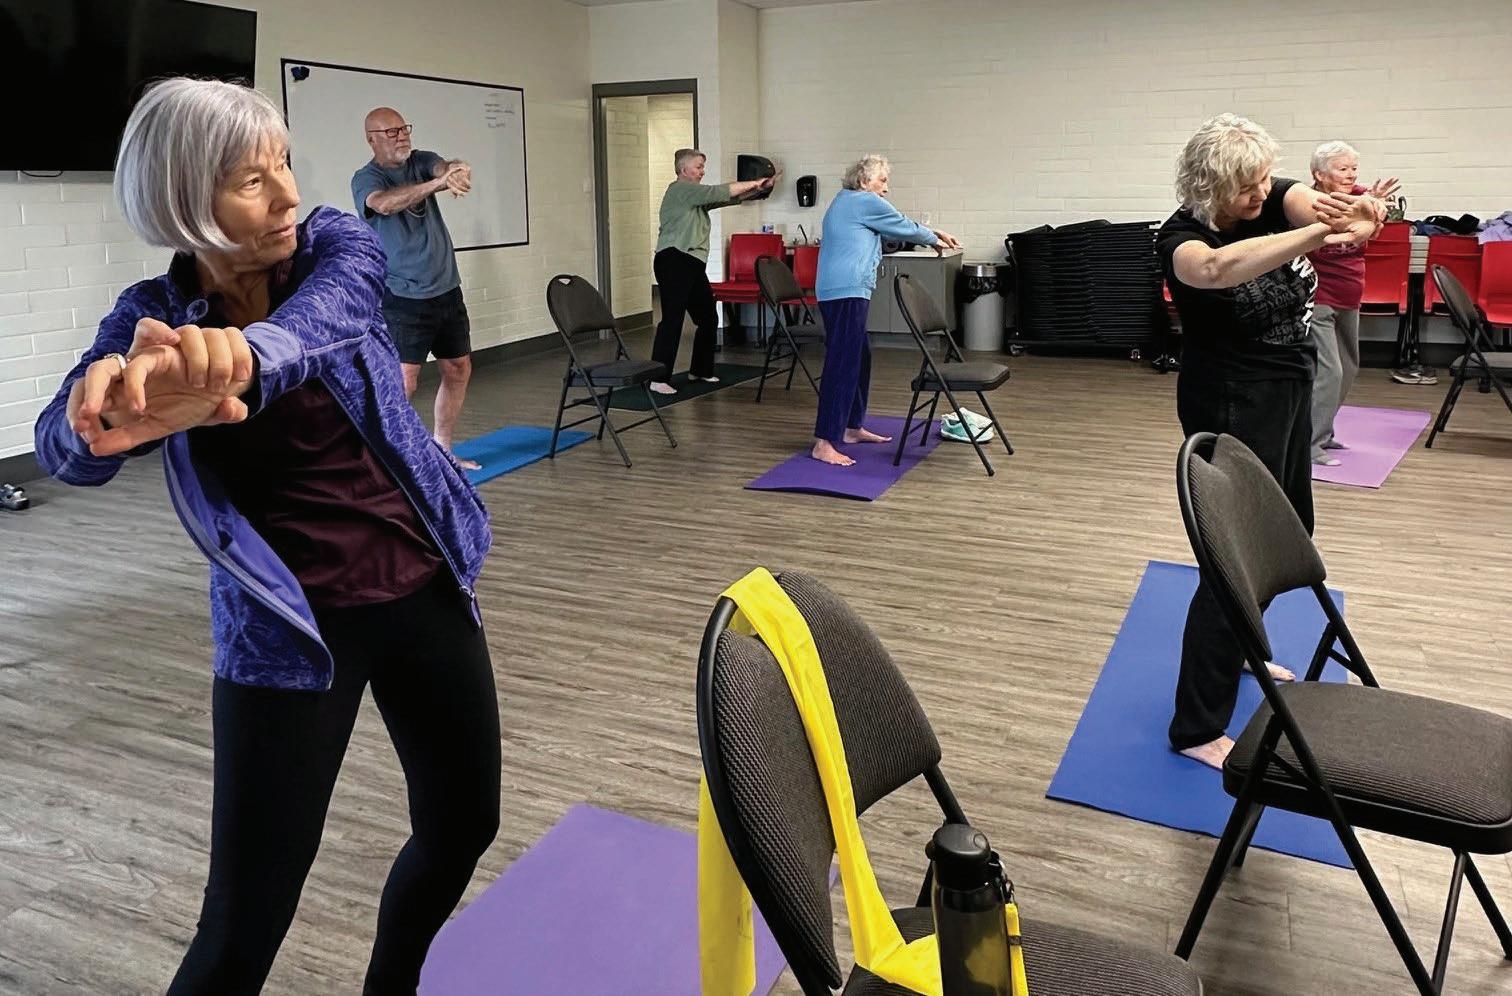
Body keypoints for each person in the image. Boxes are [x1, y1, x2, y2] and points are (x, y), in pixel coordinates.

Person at [34, 79, 500, 995]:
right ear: (184, 201)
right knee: (241, 929)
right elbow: (62, 446)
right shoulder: (150, 321)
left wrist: (243, 359)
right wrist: (104, 420)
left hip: (423, 592)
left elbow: (330, 319)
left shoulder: (336, 246)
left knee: (462, 827)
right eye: (253, 180)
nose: (287, 193)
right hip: (287, 634)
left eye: (284, 164)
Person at [1158, 113, 1382, 769]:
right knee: (1234, 557)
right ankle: (1197, 726)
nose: (1262, 193)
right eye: (1247, 186)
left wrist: (1362, 214)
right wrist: (1321, 233)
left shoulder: (1274, 196)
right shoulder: (1182, 237)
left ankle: (1241, 649)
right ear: (1211, 186)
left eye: (1264, 180)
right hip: (1231, 400)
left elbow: (1328, 209)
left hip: (1287, 387)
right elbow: (1218, 269)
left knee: (1289, 531)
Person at [352, 107, 481, 469]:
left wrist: (455, 171)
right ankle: (385, 459)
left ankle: (442, 450)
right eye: (391, 132)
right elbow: (384, 204)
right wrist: (438, 185)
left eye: (404, 129)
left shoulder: (421, 160)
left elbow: (443, 166)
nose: (402, 136)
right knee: (404, 383)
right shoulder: (366, 178)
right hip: (403, 295)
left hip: (446, 288)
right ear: (372, 139)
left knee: (458, 368)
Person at [811, 154, 960, 466]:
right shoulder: (862, 200)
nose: (886, 188)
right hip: (845, 291)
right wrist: (933, 236)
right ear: (866, 181)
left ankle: (851, 427)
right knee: (843, 361)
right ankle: (824, 442)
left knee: (859, 356)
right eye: (883, 180)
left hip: (843, 290)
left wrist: (929, 236)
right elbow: (900, 223)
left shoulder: (849, 202)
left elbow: (892, 230)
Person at [650, 148, 778, 394]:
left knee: (708, 318)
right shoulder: (680, 190)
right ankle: (658, 378)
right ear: (684, 169)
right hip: (674, 259)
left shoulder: (695, 198)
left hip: (691, 263)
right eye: (698, 167)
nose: (702, 172)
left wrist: (759, 190)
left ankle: (700, 370)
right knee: (673, 319)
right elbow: (719, 191)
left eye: (702, 167)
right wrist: (755, 182)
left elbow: (728, 198)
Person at [1306, 141, 1401, 465]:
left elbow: (1375, 225)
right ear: (1319, 174)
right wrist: (1364, 213)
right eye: (1342, 169)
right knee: (1329, 372)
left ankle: (1324, 432)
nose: (1351, 175)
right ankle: (1309, 444)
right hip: (1319, 296)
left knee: (1348, 367)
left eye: (1354, 168)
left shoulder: (1360, 195)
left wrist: (1377, 206)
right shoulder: (1308, 203)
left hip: (1350, 294)